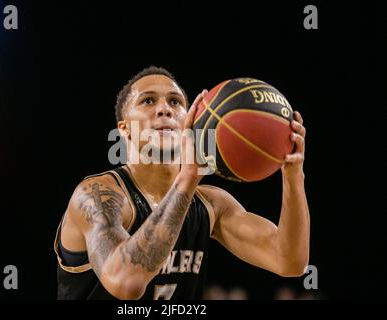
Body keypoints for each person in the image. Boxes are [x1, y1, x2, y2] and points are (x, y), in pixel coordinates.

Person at [54, 66, 310, 300]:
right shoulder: (96, 195)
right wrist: (188, 177)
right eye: (148, 100)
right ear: (124, 129)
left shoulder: (211, 204)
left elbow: (289, 261)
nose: (165, 108)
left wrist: (292, 176)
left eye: (175, 102)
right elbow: (125, 283)